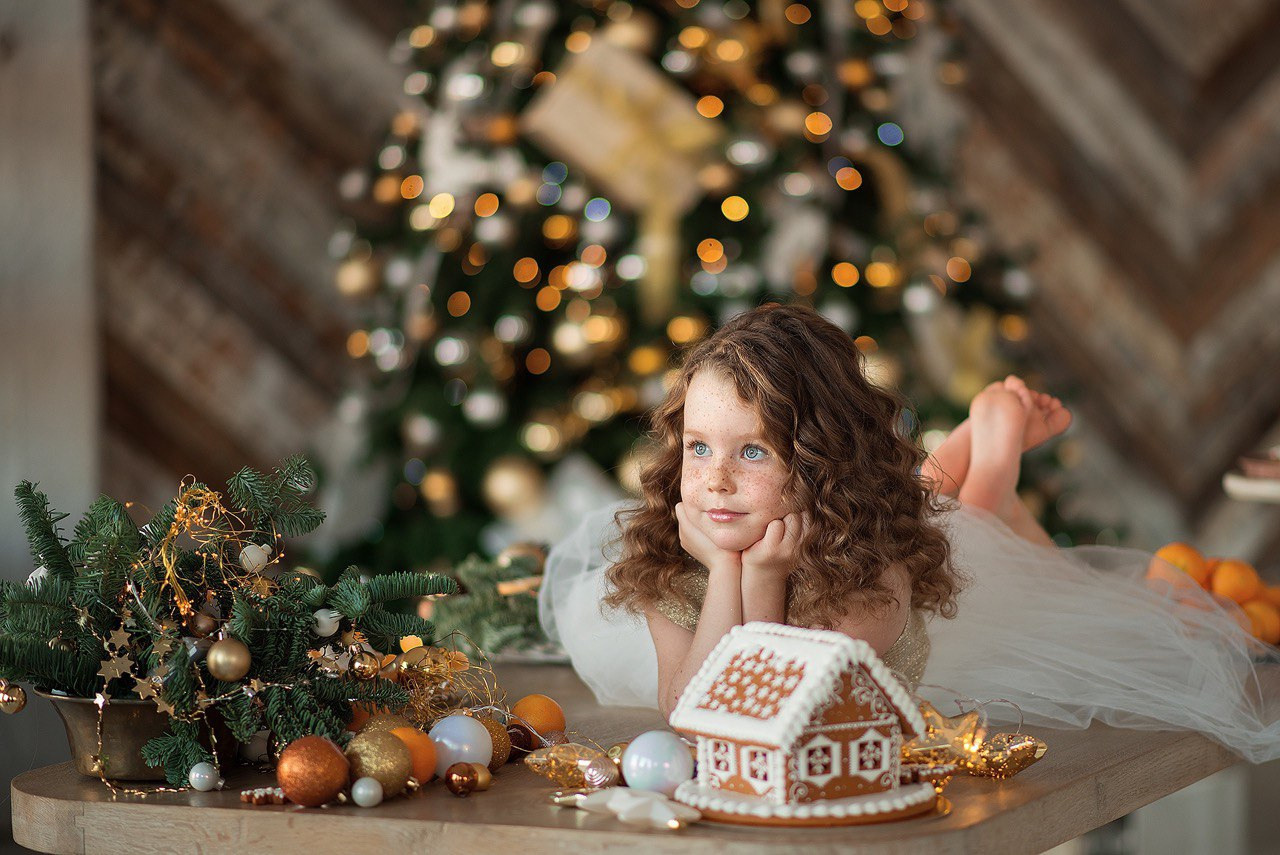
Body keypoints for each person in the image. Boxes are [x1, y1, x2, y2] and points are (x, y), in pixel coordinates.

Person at [539, 303, 1280, 762]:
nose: (714, 480)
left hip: (867, 641)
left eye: (753, 450)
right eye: (698, 447)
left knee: (993, 546)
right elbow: (686, 709)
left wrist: (756, 575)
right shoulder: (676, 562)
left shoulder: (874, 575)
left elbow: (754, 707)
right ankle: (969, 466)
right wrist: (726, 571)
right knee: (953, 512)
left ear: (821, 456)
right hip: (784, 556)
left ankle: (987, 468)